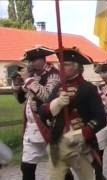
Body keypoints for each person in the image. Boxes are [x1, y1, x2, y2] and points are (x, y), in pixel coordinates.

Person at [38, 47, 106, 180]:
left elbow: (100, 118)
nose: (61, 68)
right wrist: (56, 104)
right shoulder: (58, 88)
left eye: (66, 65)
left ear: (76, 67)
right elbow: (42, 113)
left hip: (80, 146)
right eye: (60, 65)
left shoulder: (88, 88)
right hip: (58, 144)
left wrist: (83, 133)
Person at [11, 46, 61, 180]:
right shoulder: (32, 75)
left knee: (59, 168)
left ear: (42, 59)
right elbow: (21, 100)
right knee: (26, 167)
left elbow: (47, 96)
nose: (30, 63)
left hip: (49, 125)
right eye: (29, 61)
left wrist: (28, 79)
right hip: (31, 127)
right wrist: (16, 85)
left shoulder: (54, 74)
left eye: (33, 60)